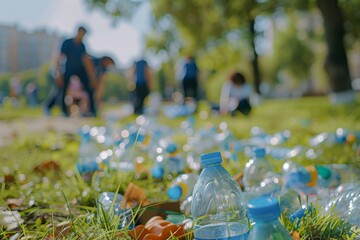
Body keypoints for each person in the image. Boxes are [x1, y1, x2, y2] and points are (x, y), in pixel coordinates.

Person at [55, 25, 97, 117]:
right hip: (69, 69)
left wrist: (92, 76)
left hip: (80, 70)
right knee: (63, 89)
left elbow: (86, 60)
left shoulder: (82, 46)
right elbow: (59, 57)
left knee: (89, 88)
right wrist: (58, 72)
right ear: (78, 32)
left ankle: (92, 111)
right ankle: (64, 112)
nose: (82, 36)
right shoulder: (67, 43)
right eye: (82, 34)